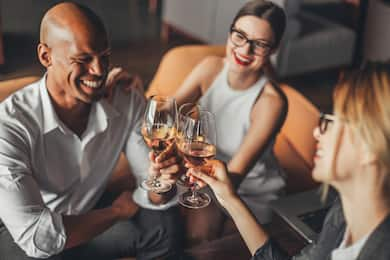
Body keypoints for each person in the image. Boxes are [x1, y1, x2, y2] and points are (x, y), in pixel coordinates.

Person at [0, 2, 183, 260]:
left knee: (162, 225)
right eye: (83, 59)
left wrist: (161, 183)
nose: (98, 70)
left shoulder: (126, 100)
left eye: (104, 56)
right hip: (21, 230)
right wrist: (115, 213)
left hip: (88, 217)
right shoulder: (9, 126)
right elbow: (35, 238)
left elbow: (150, 188)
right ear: (45, 56)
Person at [191, 62, 390, 260]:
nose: (316, 132)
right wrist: (228, 196)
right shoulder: (344, 214)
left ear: (369, 147)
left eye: (331, 121)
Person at [173, 0, 287, 242]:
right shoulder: (210, 67)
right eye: (240, 36)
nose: (245, 51)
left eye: (260, 45)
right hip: (203, 169)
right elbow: (167, 111)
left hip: (244, 187)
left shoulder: (271, 102)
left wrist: (186, 175)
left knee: (198, 236)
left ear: (274, 50)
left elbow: (234, 176)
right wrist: (133, 95)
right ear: (230, 33)